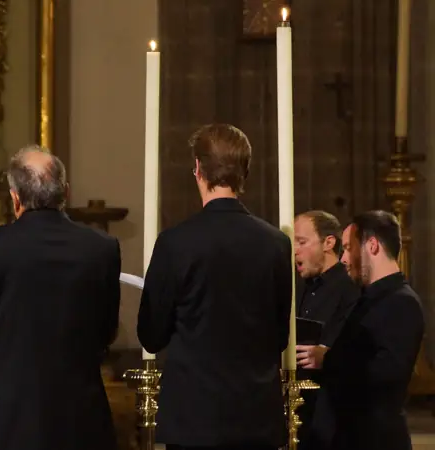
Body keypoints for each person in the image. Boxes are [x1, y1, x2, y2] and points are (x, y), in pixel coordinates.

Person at [0, 146, 121, 450]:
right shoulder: (100, 248)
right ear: (65, 191)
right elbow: (106, 330)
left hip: (8, 416)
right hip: (79, 415)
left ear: (14, 197)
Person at [137, 124, 292, 450]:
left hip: (194, 417)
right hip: (255, 415)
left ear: (197, 169)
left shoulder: (175, 243)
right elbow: (279, 335)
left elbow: (151, 334)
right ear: (245, 170)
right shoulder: (276, 244)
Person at [297, 211, 424, 450]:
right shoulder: (368, 299)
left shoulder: (401, 302)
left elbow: (388, 376)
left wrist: (328, 358)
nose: (343, 258)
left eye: (348, 248)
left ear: (372, 246)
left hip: (376, 439)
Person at [293, 210, 360, 449]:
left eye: (302, 242)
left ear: (329, 243)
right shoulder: (299, 288)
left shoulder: (351, 288)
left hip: (331, 416)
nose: (295, 251)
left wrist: (326, 353)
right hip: (298, 411)